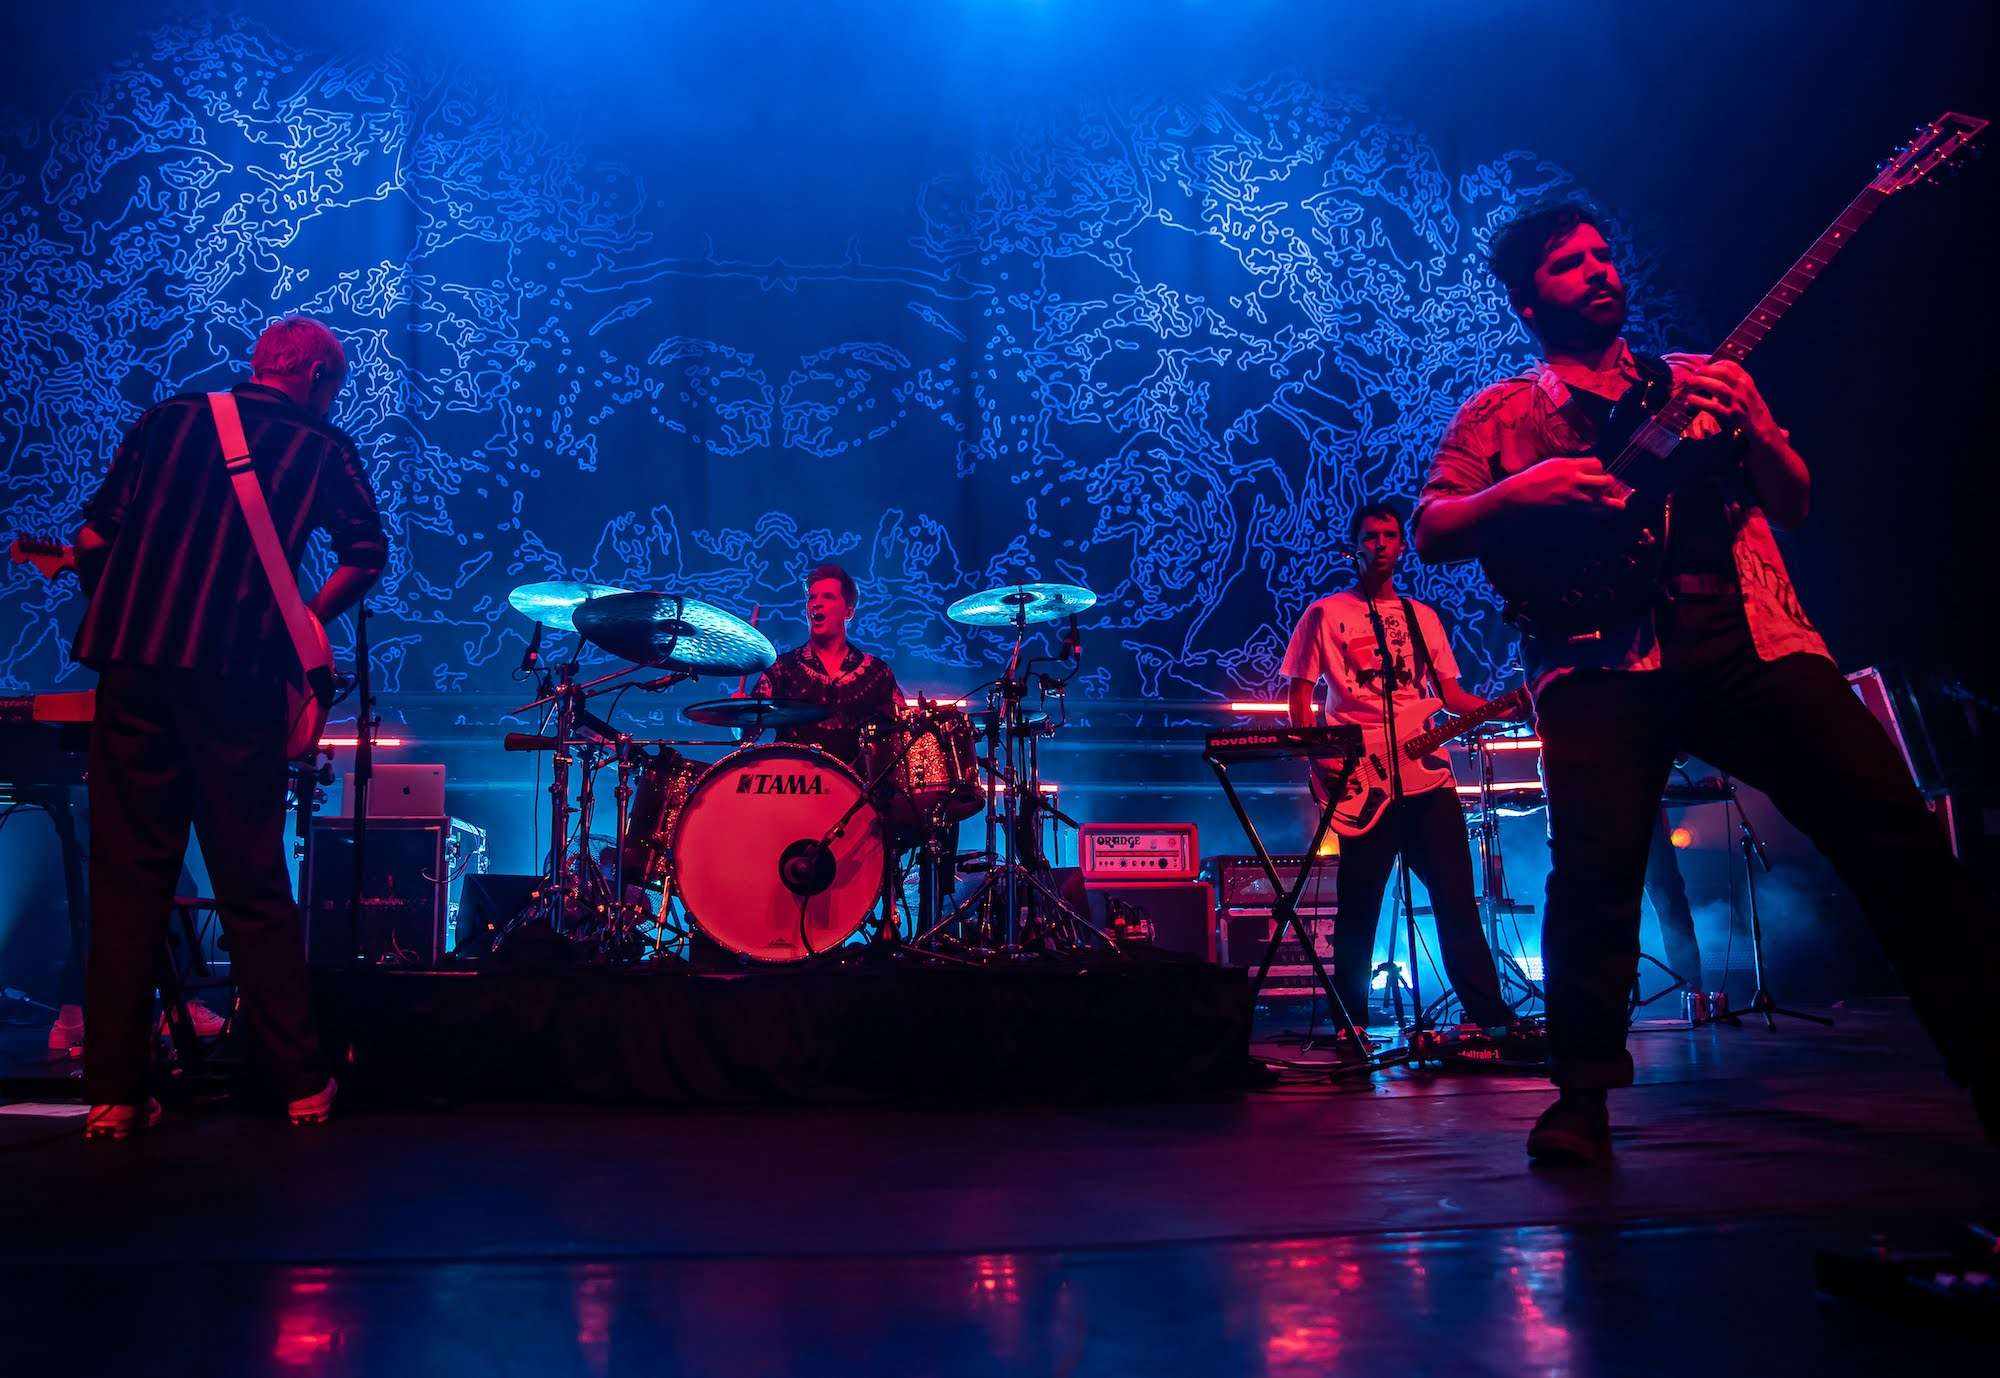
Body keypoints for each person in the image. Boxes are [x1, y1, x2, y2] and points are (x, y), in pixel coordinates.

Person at [1413, 199, 1998, 1163]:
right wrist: (1524, 489)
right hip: (1599, 657)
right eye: (1568, 264)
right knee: (1594, 875)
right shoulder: (1499, 412)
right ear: (1527, 301)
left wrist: (1758, 425)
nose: (1598, 271)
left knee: (1894, 833)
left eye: (1603, 255)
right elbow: (1433, 528)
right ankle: (1580, 1100)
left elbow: (1794, 501)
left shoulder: (1700, 380)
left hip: (1752, 639)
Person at [71, 316, 387, 1138]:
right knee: (251, 878)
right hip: (236, 675)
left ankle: (112, 1095)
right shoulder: (320, 445)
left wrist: (128, 601)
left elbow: (93, 536)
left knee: (127, 881)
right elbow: (365, 552)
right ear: (316, 377)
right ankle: (301, 1085)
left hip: (134, 668)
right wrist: (306, 620)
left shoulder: (168, 419)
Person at [1282, 501, 1515, 1035]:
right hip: (1362, 780)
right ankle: (1351, 1023)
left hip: (1429, 779)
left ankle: (1490, 1019)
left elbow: (1449, 696)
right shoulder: (1325, 614)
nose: (1381, 544)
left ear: (1403, 546)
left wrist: (1502, 706)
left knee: (1456, 900)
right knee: (1359, 906)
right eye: (1371, 536)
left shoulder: (1422, 617)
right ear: (1355, 546)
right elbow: (1299, 694)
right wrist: (1320, 757)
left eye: (1390, 535)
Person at [751, 563, 902, 771]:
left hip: (859, 785)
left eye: (828, 597)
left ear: (848, 612)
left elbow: (902, 733)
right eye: (812, 597)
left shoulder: (877, 673)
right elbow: (748, 730)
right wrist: (738, 712)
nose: (816, 604)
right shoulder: (781, 669)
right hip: (793, 783)